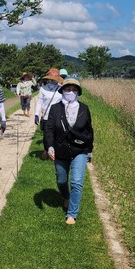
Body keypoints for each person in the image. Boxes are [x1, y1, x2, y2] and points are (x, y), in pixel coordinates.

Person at [44, 76, 94, 225]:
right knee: (61, 180)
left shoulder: (84, 109)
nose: (70, 92)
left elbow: (89, 131)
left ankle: (72, 214)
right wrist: (49, 146)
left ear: (78, 92)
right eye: (67, 89)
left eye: (74, 89)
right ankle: (66, 196)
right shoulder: (55, 108)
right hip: (60, 150)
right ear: (62, 91)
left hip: (80, 150)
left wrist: (89, 150)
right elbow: (49, 129)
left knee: (77, 182)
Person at [34, 67, 63, 158]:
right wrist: (36, 114)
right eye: (50, 79)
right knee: (47, 135)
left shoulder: (61, 89)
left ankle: (56, 151)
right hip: (46, 116)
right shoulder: (43, 89)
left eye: (54, 79)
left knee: (58, 134)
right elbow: (40, 102)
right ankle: (46, 150)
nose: (52, 81)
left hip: (58, 116)